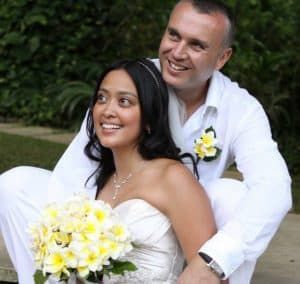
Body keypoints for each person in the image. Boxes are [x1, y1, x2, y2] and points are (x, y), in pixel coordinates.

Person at [0, 0, 292, 283]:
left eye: (196, 45)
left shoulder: (240, 108)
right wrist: (80, 245)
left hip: (193, 224)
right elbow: (75, 174)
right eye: (173, 35)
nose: (177, 52)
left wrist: (215, 259)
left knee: (232, 196)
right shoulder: (128, 81)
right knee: (15, 185)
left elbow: (274, 187)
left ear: (222, 58)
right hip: (120, 215)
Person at [84, 58, 217, 283]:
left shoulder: (173, 178)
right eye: (102, 98)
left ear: (149, 117)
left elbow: (208, 274)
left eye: (124, 101)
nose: (107, 110)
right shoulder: (102, 181)